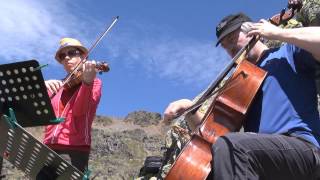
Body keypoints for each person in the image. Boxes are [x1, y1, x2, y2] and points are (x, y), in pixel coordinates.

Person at [163, 12, 320, 179]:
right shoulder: (239, 82)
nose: (230, 49)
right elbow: (212, 136)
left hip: (303, 149)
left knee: (232, 148)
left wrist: (276, 33)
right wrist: (190, 109)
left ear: (252, 29)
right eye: (225, 46)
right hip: (259, 158)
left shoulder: (287, 53)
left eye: (232, 39)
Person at [38, 37, 102, 177]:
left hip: (74, 150)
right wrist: (41, 85)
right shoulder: (55, 85)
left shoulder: (94, 83)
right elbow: (33, 111)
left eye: (72, 53)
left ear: (83, 57)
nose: (67, 58)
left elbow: (80, 111)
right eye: (62, 56)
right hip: (48, 148)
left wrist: (86, 83)